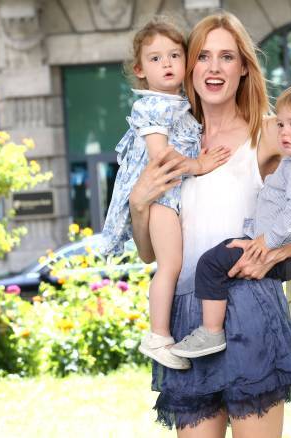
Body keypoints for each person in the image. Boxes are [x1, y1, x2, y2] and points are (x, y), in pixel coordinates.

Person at [129, 12, 291, 437]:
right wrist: (138, 203)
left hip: (249, 306)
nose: (214, 67)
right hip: (186, 313)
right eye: (203, 56)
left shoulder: (272, 132)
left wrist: (280, 250)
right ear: (188, 67)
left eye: (227, 57)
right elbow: (150, 253)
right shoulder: (169, 143)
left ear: (242, 68)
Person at [170, 80, 291, 358]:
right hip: (284, 249)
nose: (283, 132)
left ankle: (211, 331)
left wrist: (271, 242)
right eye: (280, 124)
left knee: (210, 263)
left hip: (273, 247)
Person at [100, 16, 230, 370]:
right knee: (168, 265)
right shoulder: (152, 105)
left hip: (171, 198)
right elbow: (160, 156)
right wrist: (198, 166)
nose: (167, 63)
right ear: (140, 70)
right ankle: (158, 335)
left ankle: (162, 333)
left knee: (173, 263)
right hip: (161, 199)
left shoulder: (180, 103)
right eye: (155, 59)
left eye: (175, 55)